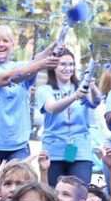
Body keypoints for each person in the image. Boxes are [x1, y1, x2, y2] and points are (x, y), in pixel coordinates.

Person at [0, 25, 59, 162]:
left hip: (18, 146)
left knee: (19, 182)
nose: (0, 44)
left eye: (5, 41)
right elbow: (7, 78)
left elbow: (34, 62)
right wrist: (41, 65)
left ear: (13, 44)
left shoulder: (21, 66)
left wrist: (52, 48)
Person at [36, 48, 96, 184]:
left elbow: (94, 103)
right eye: (63, 64)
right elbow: (52, 108)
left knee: (78, 192)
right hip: (54, 149)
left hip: (80, 150)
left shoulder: (82, 86)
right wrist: (74, 97)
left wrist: (93, 88)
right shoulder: (45, 89)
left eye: (71, 64)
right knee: (53, 195)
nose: (68, 68)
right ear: (53, 66)